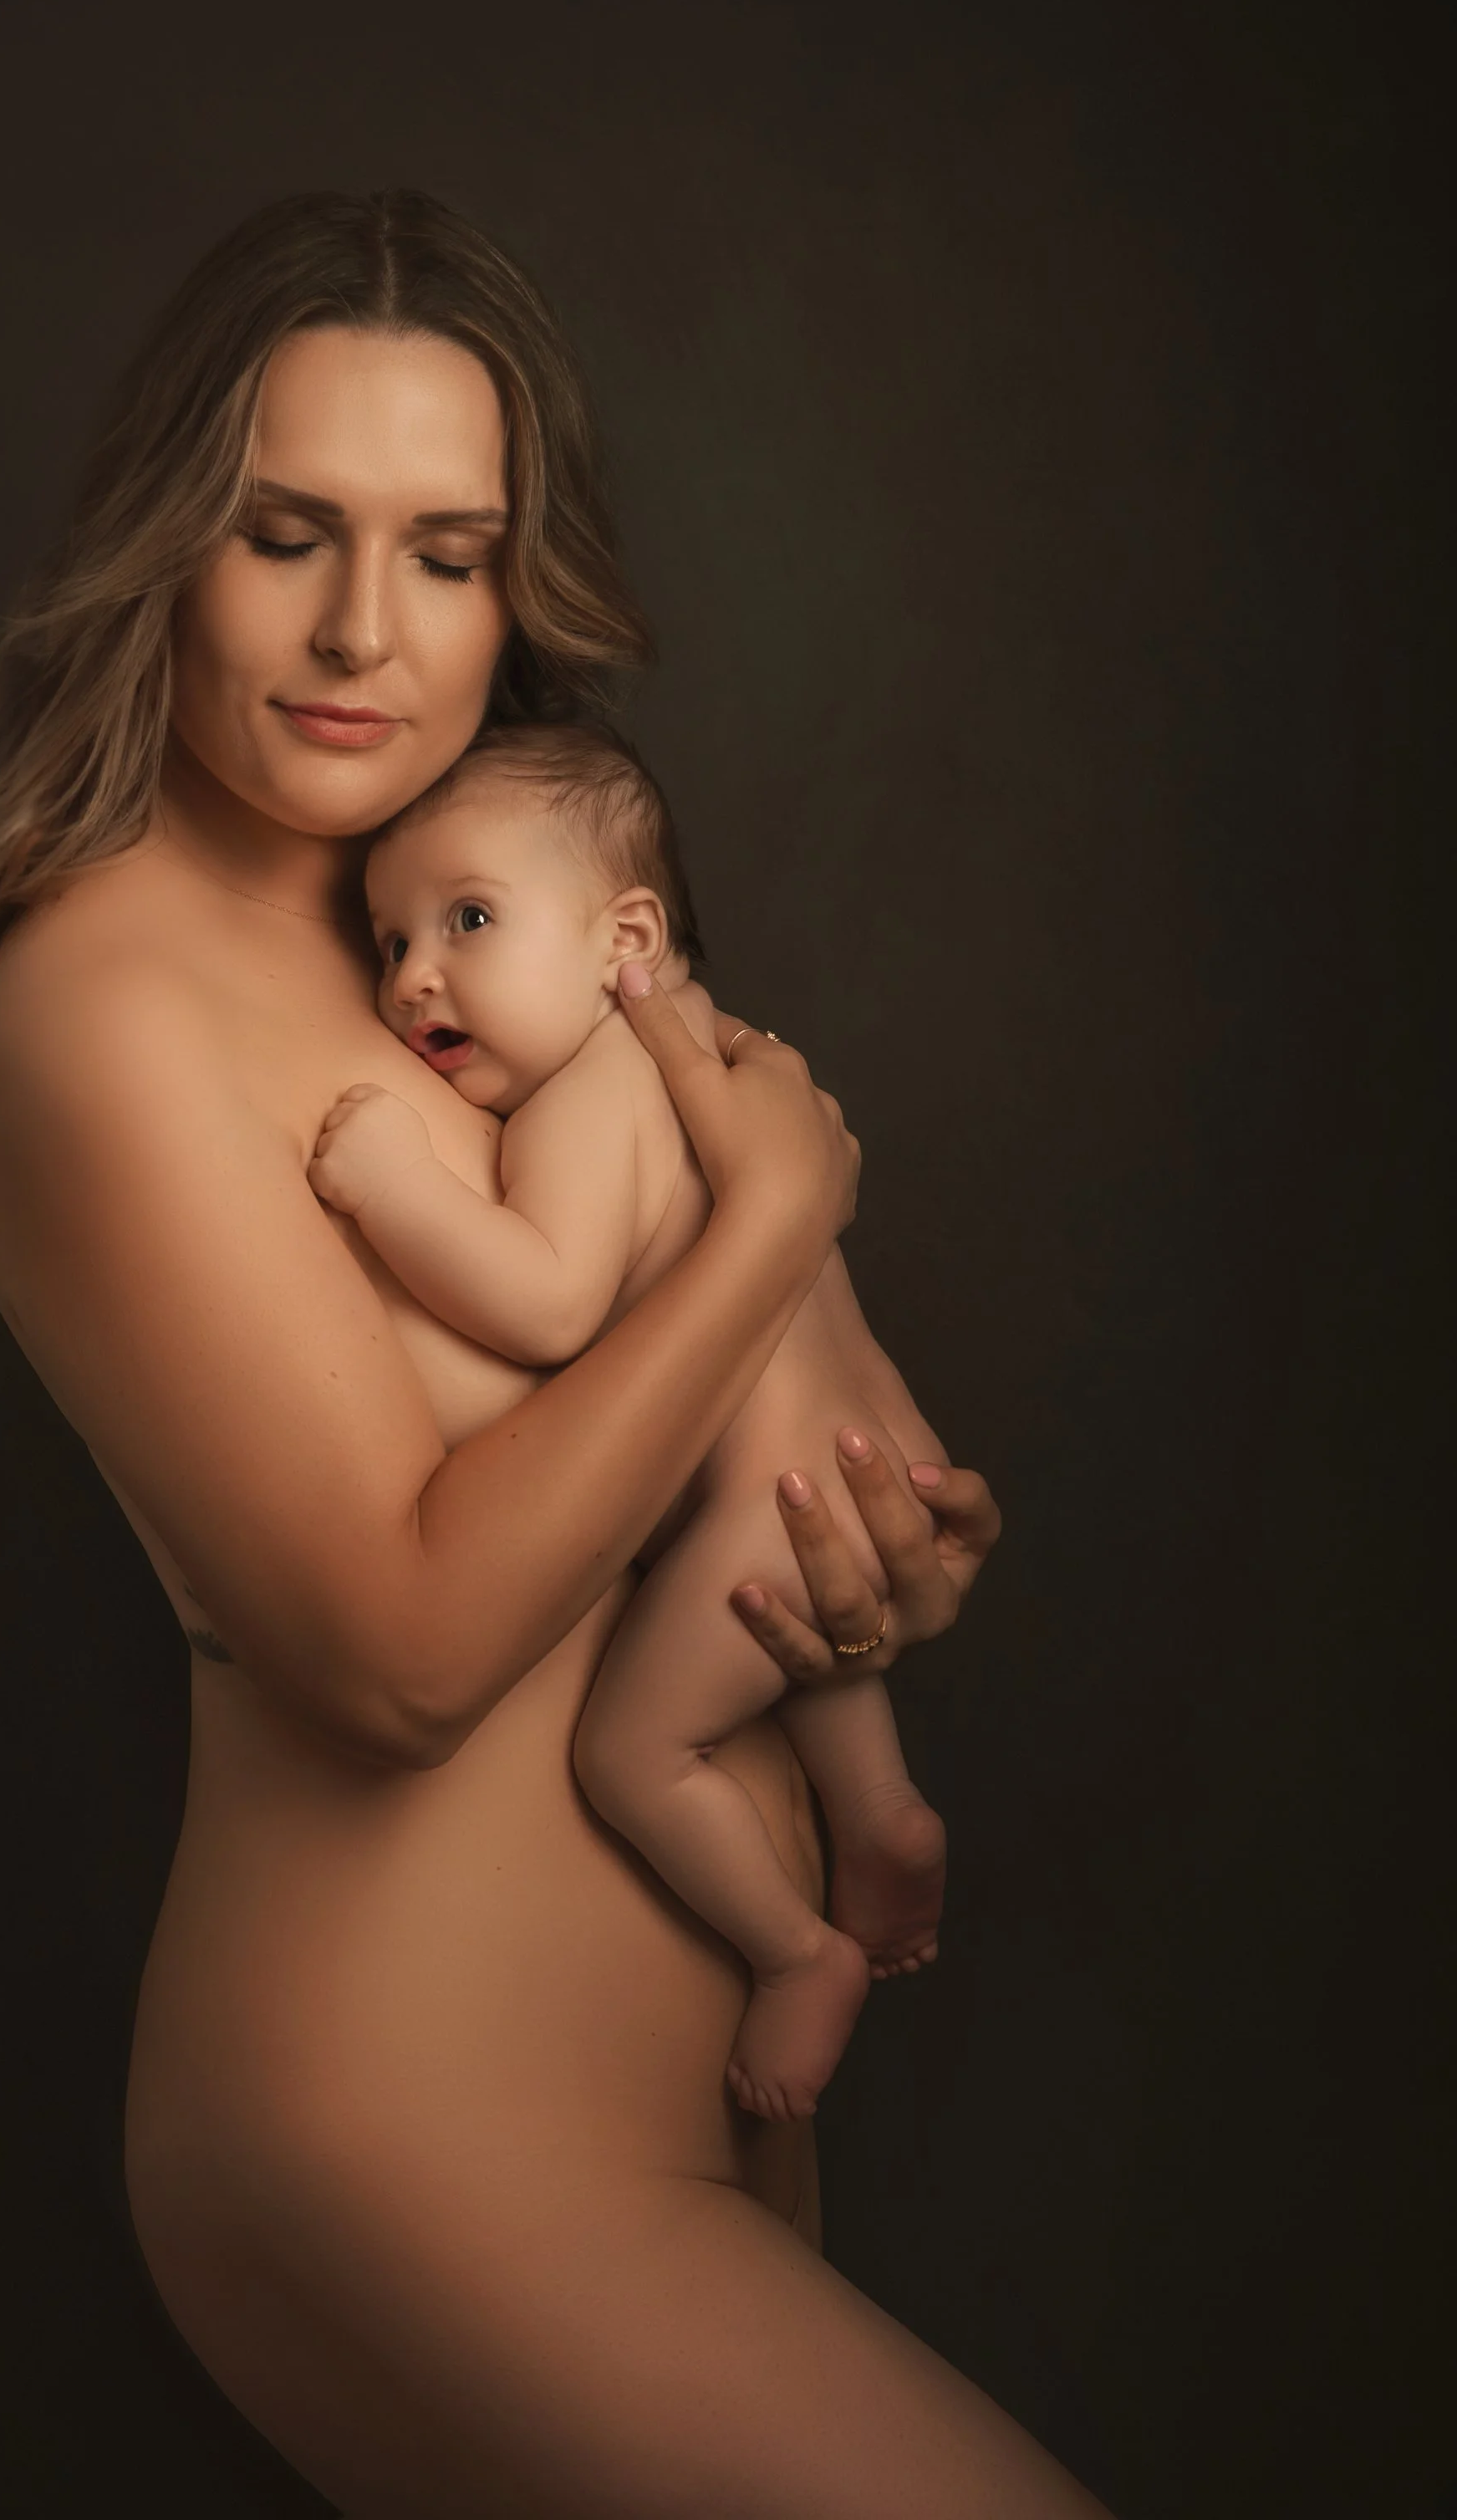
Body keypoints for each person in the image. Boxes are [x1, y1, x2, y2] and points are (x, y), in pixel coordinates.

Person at [0, 189, 1105, 2516]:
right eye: (284, 534)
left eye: (446, 553)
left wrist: (874, 1563)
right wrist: (774, 1218)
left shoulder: (479, 936)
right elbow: (406, 1652)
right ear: (167, 548)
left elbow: (796, 1424)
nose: (362, 630)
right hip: (411, 2154)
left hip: (689, 2107)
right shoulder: (107, 1001)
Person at [310, 719, 950, 2124]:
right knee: (809, 1641)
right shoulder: (705, 1061)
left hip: (770, 1500)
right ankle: (885, 1816)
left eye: (469, 920)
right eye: (389, 939)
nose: (415, 974)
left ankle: (800, 1953)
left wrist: (393, 1187)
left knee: (628, 1753)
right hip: (858, 1455)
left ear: (624, 937)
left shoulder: (588, 1091)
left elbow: (545, 1306)